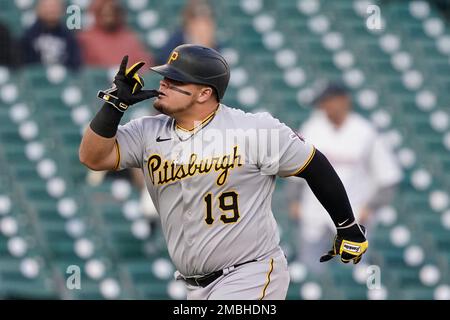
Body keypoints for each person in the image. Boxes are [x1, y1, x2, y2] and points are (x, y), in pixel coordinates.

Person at [79, 44, 368, 300]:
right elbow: (93, 157)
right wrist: (114, 107)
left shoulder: (252, 130)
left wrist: (346, 226)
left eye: (175, 79)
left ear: (205, 93)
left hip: (249, 273)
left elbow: (314, 164)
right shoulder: (147, 131)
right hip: (194, 286)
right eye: (165, 76)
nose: (163, 83)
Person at [288, 82, 402, 272]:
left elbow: (388, 178)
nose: (324, 107)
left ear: (343, 100)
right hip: (313, 216)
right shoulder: (313, 128)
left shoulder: (365, 132)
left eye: (328, 101)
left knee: (352, 276)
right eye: (322, 103)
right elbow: (297, 168)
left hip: (352, 217)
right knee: (311, 274)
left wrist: (370, 207)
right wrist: (294, 200)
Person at [77, 0, 153, 68]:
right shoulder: (85, 39)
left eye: (112, 13)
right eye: (105, 14)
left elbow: (144, 66)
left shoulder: (130, 38)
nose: (109, 18)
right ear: (97, 15)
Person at [20, 0, 81, 70]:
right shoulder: (28, 36)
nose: (51, 10)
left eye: (54, 7)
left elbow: (75, 64)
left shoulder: (69, 37)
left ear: (62, 10)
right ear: (38, 9)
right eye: (47, 7)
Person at [156, 0, 218, 64]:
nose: (203, 29)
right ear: (189, 24)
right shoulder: (175, 43)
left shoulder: (217, 47)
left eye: (207, 22)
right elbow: (163, 63)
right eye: (197, 22)